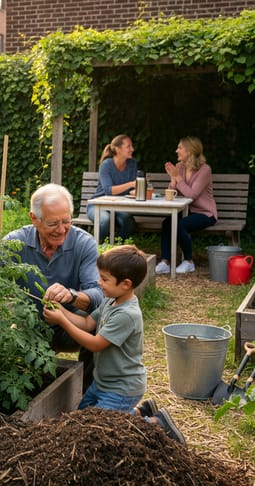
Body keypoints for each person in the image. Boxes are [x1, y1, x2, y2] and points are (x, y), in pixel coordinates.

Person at [0, 184, 103, 390]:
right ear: (34, 218)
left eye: (66, 221)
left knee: (101, 324)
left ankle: (87, 393)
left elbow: (98, 295)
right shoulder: (15, 242)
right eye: (53, 223)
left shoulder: (84, 244)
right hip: (28, 331)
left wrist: (71, 296)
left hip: (71, 328)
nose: (61, 229)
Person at [42, 245, 186, 444]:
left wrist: (62, 321)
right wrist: (61, 311)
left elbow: (95, 344)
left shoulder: (127, 314)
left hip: (121, 388)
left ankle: (156, 423)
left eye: (104, 279)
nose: (99, 282)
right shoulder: (110, 301)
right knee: (81, 418)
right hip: (103, 383)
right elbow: (87, 323)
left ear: (126, 284)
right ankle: (140, 412)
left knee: (99, 429)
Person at [155, 136, 217, 275]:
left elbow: (192, 195)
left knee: (180, 224)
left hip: (205, 213)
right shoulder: (180, 167)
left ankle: (188, 261)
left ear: (189, 151)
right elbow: (172, 193)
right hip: (187, 211)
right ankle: (165, 262)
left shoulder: (205, 170)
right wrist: (173, 179)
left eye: (180, 148)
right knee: (167, 223)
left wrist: (177, 177)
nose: (176, 151)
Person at [88, 134, 139, 240]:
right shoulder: (106, 165)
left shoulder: (132, 164)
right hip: (98, 205)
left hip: (119, 206)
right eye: (128, 146)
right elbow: (109, 190)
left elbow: (132, 190)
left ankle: (115, 245)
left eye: (131, 146)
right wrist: (131, 184)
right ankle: (93, 246)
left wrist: (138, 190)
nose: (132, 149)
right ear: (118, 149)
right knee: (105, 220)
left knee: (129, 223)